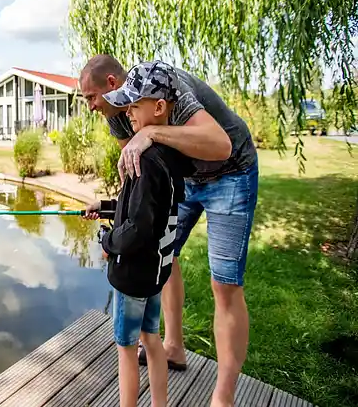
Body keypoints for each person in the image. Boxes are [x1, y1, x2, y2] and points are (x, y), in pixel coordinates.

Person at [80, 55, 259, 407]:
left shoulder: (167, 84)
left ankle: (224, 397)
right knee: (167, 252)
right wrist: (107, 208)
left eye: (91, 97)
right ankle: (173, 346)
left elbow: (219, 145)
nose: (90, 106)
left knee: (224, 284)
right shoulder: (120, 113)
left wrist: (151, 132)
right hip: (185, 178)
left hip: (231, 171)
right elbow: (139, 184)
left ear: (114, 85)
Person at [88, 61, 194, 407]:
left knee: (126, 350)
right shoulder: (170, 156)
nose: (128, 112)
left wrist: (108, 242)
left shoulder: (144, 160)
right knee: (152, 338)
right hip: (155, 275)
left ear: (159, 107)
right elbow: (144, 209)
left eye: (135, 105)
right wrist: (105, 206)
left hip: (132, 277)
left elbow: (136, 229)